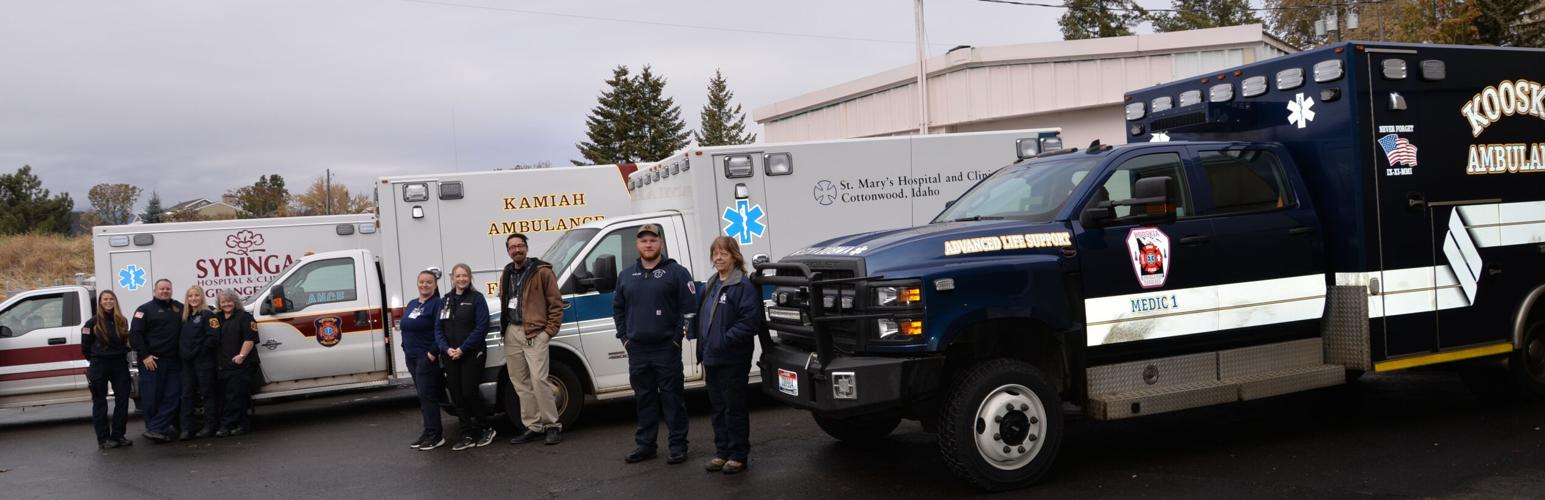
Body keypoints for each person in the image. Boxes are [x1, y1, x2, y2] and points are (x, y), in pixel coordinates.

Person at [612, 223, 695, 464]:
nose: (648, 244)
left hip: (666, 349)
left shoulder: (676, 272)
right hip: (637, 349)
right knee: (644, 399)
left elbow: (688, 309)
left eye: (653, 240)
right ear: (637, 245)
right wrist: (625, 338)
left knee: (672, 399)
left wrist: (677, 340)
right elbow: (618, 309)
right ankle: (646, 445)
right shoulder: (626, 275)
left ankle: (678, 446)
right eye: (643, 241)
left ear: (661, 243)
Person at [690, 236, 765, 474]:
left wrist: (723, 341)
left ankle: (738, 455)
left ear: (735, 256)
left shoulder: (742, 286)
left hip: (732, 358)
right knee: (718, 408)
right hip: (712, 358)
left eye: (724, 253)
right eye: (715, 253)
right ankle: (722, 452)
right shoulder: (711, 283)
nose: (718, 258)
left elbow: (749, 322)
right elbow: (703, 316)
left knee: (734, 407)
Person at [501, 233, 565, 446]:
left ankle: (552, 425)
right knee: (521, 383)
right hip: (513, 331)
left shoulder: (542, 272)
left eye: (520, 246)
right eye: (512, 247)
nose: (516, 250)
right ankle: (533, 426)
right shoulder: (507, 273)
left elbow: (556, 305)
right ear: (508, 251)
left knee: (539, 380)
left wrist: (548, 332)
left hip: (535, 332)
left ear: (526, 248)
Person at [435, 263, 495, 451]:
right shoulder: (445, 300)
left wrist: (462, 348)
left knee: (469, 392)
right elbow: (438, 329)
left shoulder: (477, 299)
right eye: (458, 276)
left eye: (465, 276)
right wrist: (446, 349)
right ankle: (466, 433)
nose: (461, 279)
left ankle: (486, 428)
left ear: (470, 278)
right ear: (452, 278)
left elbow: (481, 327)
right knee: (457, 396)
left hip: (471, 353)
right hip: (450, 355)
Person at [129, 278, 184, 443]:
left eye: (168, 288)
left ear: (171, 290)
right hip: (152, 361)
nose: (165, 291)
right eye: (162, 289)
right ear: (155, 291)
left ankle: (156, 428)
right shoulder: (144, 310)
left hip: (174, 361)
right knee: (152, 397)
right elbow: (135, 335)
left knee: (174, 396)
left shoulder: (179, 308)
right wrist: (145, 355)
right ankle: (156, 429)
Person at [81, 290, 134, 449]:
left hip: (119, 364)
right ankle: (103, 439)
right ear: (100, 302)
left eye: (111, 299)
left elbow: (126, 341)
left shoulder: (122, 321)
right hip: (99, 365)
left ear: (115, 301)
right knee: (99, 402)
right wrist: (96, 359)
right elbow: (85, 348)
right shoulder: (92, 323)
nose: (108, 302)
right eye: (105, 299)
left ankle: (118, 436)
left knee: (123, 400)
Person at [402, 270, 446, 451]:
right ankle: (427, 432)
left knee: (428, 396)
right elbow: (405, 327)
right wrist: (405, 348)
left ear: (435, 285)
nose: (424, 285)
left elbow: (441, 330)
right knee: (422, 396)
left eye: (429, 282)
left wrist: (432, 353)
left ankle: (436, 436)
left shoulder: (437, 304)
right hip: (411, 357)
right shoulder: (412, 303)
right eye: (421, 282)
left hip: (426, 357)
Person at [211, 289, 259, 436]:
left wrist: (242, 355)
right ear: (219, 304)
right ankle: (241, 425)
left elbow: (250, 339)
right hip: (223, 366)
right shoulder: (216, 318)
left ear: (235, 302)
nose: (226, 304)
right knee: (227, 397)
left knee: (235, 396)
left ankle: (227, 426)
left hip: (241, 364)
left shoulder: (245, 317)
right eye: (223, 302)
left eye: (229, 301)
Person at [178, 286, 218, 440]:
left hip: (204, 362)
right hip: (187, 363)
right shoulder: (185, 317)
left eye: (196, 295)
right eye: (190, 296)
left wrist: (198, 352)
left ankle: (210, 426)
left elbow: (213, 338)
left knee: (207, 394)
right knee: (186, 395)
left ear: (202, 297)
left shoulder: (208, 315)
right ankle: (187, 429)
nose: (193, 298)